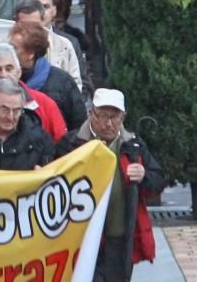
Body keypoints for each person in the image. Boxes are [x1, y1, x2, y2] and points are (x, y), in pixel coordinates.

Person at [55, 89, 166, 280]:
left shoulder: (133, 145)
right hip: (81, 239)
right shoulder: (71, 143)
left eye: (115, 117)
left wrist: (143, 176)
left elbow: (159, 180)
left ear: (123, 117)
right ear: (91, 114)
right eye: (103, 116)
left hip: (119, 238)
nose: (108, 123)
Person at [9, 20, 86, 130]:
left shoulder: (63, 82)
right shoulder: (6, 80)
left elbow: (79, 126)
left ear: (30, 54)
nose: (9, 51)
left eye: (14, 48)